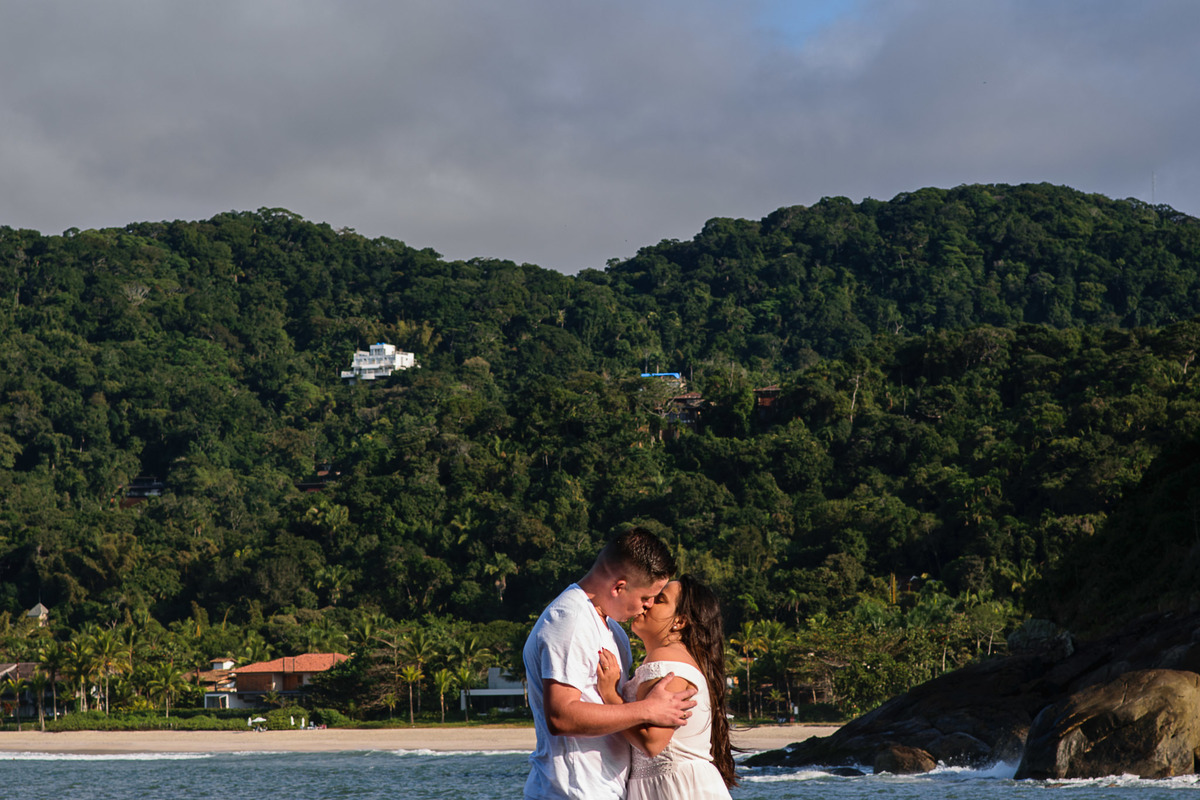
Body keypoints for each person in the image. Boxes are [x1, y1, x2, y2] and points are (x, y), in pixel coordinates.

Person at [523, 528, 698, 800]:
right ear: (619, 587)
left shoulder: (614, 631)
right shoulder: (570, 620)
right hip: (570, 793)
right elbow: (560, 715)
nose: (648, 606)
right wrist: (648, 709)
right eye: (645, 598)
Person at [596, 574, 738, 799]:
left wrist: (610, 695)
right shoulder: (678, 658)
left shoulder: (666, 659)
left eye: (659, 600)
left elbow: (652, 743)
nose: (648, 602)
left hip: (672, 787)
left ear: (680, 621)